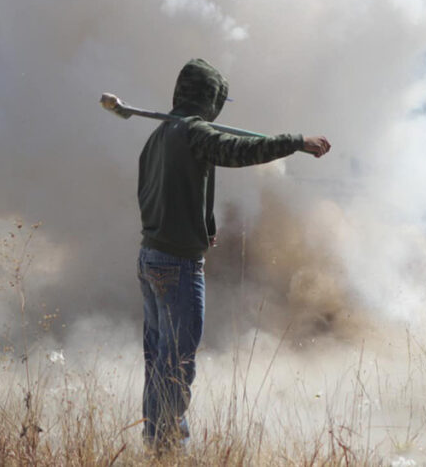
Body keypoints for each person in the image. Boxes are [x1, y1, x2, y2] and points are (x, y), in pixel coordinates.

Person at [136, 58, 331, 451]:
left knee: (159, 359)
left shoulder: (159, 136)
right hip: (177, 264)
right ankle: (170, 448)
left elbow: (153, 194)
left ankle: (155, 441)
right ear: (211, 100)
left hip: (152, 257)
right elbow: (240, 152)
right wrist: (296, 142)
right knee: (176, 363)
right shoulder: (194, 132)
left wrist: (202, 228)